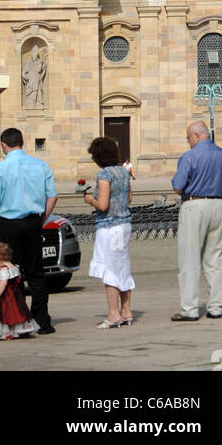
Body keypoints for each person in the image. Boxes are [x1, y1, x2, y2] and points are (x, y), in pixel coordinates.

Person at [0, 127, 57, 334]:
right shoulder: (41, 165)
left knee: (11, 272)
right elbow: (52, 196)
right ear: (22, 142)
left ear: (3, 144)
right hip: (32, 222)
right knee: (36, 272)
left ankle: (18, 320)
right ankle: (42, 320)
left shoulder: (0, 168)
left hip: (9, 224)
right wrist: (42, 219)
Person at [170, 119, 222, 321]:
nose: (188, 141)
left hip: (195, 205)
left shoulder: (189, 156)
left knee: (190, 259)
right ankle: (215, 307)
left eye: (188, 137)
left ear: (197, 135)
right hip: (218, 205)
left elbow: (178, 186)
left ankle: (189, 309)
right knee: (215, 258)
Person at [83, 136, 135, 327]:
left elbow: (103, 205)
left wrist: (90, 200)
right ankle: (126, 310)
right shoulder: (123, 171)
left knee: (109, 268)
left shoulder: (105, 175)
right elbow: (129, 198)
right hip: (125, 224)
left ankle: (114, 314)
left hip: (109, 226)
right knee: (122, 266)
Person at [0, 243, 39, 339]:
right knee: (17, 312)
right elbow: (18, 279)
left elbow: (3, 284)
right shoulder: (15, 267)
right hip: (16, 296)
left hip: (6, 297)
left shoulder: (3, 270)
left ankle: (6, 332)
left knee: (5, 314)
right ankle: (18, 330)